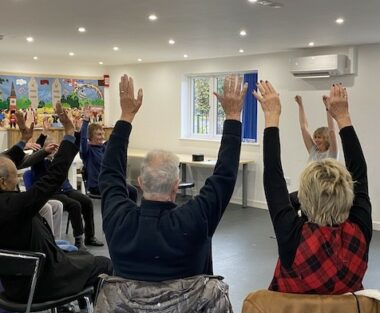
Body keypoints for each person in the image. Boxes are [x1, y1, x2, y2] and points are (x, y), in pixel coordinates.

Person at [99, 74, 247, 280]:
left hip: (128, 312)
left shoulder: (119, 220)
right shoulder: (194, 219)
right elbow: (225, 176)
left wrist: (126, 116)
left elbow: (110, 172)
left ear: (140, 183)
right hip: (188, 312)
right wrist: (232, 115)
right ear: (176, 185)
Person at [0, 107, 112, 313]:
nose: (18, 178)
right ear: (3, 182)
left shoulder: (10, 202)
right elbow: (54, 177)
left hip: (13, 286)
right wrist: (70, 133)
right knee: (102, 264)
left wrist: (23, 139)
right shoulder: (16, 205)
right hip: (42, 283)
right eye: (15, 176)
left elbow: (8, 162)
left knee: (77, 255)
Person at [253, 81, 371, 294]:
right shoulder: (359, 234)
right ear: (348, 194)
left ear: (305, 197)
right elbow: (360, 172)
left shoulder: (293, 238)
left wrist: (271, 117)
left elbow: (272, 178)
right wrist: (343, 117)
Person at [31, 128, 104, 250]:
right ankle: (79, 239)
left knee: (86, 201)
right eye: (51, 146)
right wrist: (43, 135)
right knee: (74, 205)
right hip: (52, 193)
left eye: (56, 146)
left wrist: (78, 131)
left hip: (66, 190)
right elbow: (37, 150)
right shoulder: (39, 162)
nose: (55, 148)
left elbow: (74, 146)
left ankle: (89, 236)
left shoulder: (58, 159)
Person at [290, 95, 339, 211]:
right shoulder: (313, 151)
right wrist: (300, 105)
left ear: (326, 139)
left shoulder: (332, 154)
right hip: (308, 192)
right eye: (315, 137)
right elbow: (304, 127)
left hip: (324, 195)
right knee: (289, 201)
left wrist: (327, 108)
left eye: (320, 137)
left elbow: (332, 131)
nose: (316, 140)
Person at [80, 105, 138, 200]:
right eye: (99, 134)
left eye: (102, 134)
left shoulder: (104, 147)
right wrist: (86, 120)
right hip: (97, 186)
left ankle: (129, 213)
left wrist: (126, 116)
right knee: (124, 192)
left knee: (133, 191)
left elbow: (116, 137)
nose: (102, 137)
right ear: (90, 136)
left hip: (110, 182)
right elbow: (82, 139)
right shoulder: (88, 151)